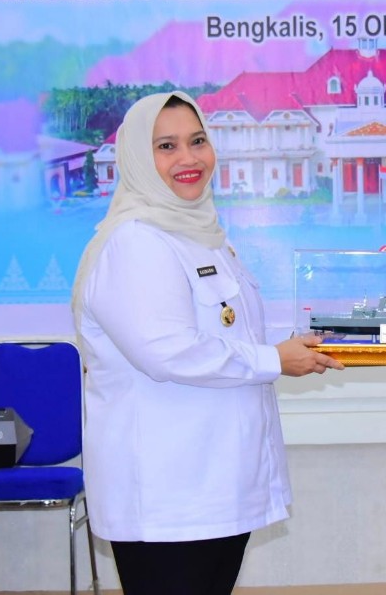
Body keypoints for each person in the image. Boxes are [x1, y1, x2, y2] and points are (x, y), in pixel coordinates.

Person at [71, 91, 343, 595]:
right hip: (167, 495)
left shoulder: (203, 237)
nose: (189, 158)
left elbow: (225, 336)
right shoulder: (135, 241)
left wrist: (288, 349)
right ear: (137, 157)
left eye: (197, 141)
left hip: (217, 486)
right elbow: (167, 350)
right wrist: (273, 360)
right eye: (166, 146)